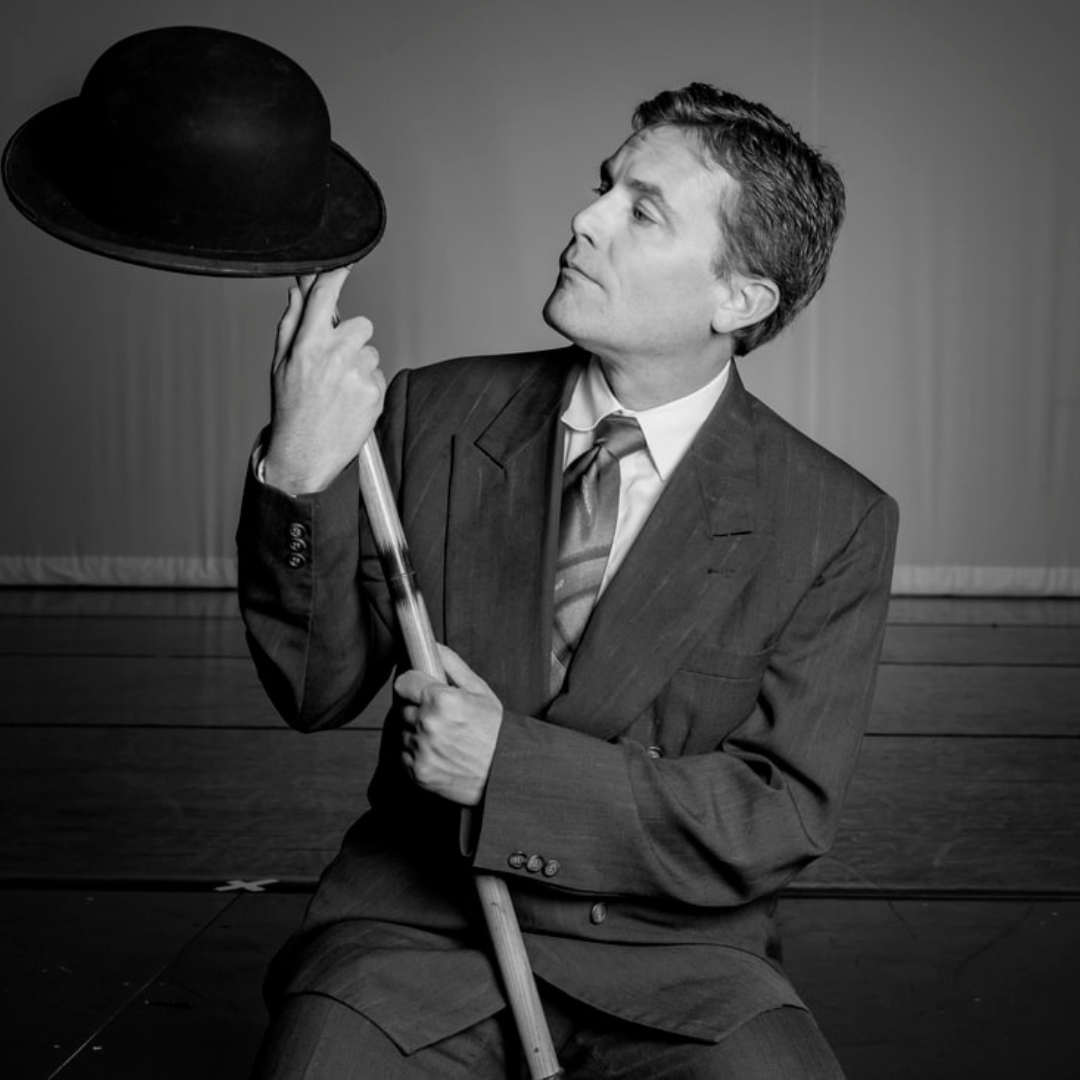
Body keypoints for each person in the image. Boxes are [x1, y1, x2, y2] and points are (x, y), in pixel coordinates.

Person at [237, 82, 898, 1079]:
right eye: (603, 188)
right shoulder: (432, 415)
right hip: (415, 935)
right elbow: (312, 689)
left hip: (677, 957)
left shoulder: (833, 517)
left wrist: (509, 771)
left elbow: (777, 817)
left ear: (740, 298)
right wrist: (297, 472)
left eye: (643, 211)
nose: (585, 221)